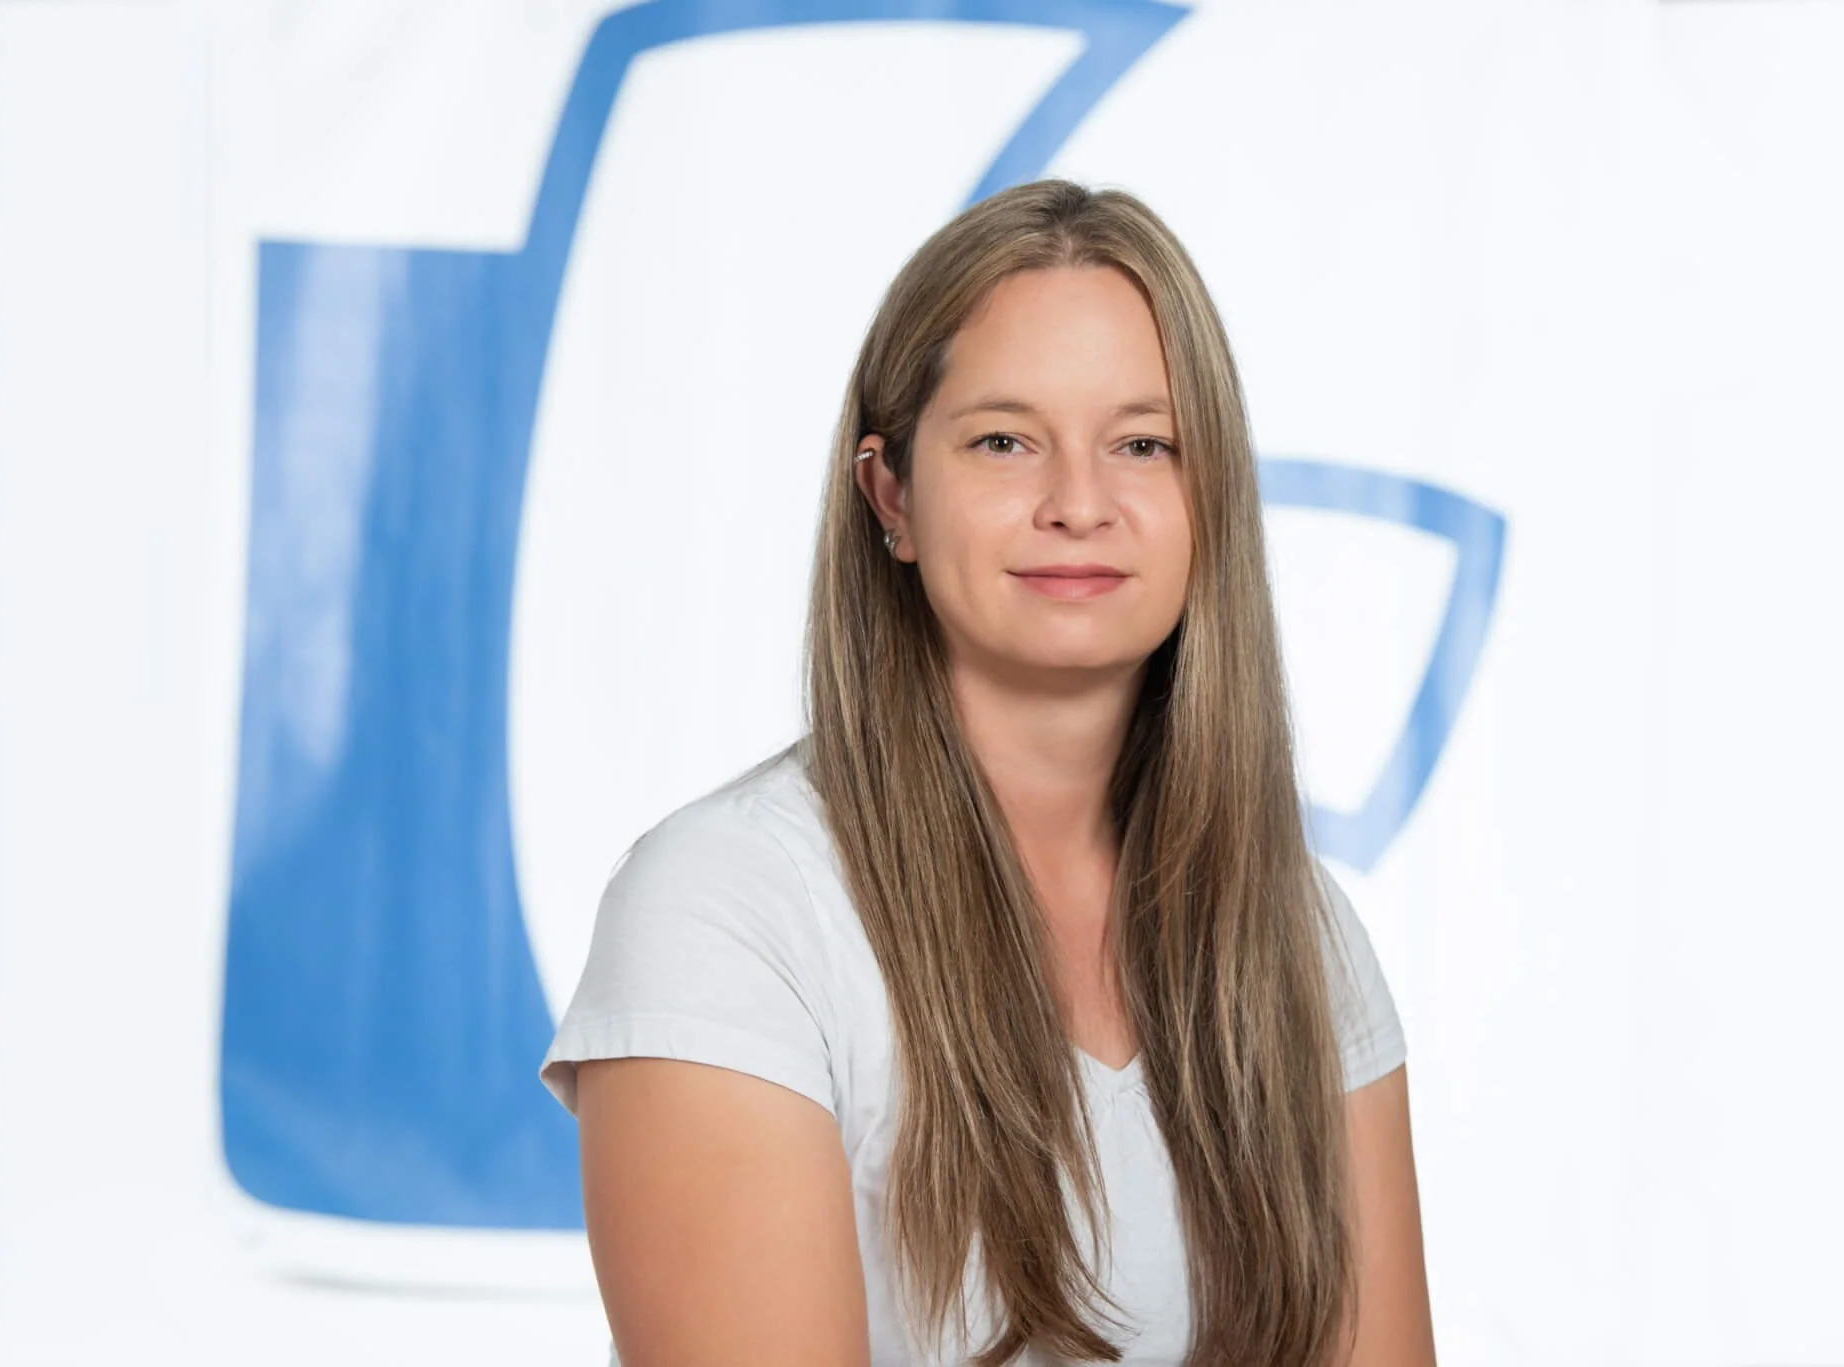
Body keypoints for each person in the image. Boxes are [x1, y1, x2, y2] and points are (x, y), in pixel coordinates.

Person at [538, 178, 1437, 1367]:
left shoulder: (1300, 930)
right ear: (890, 496)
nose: (1078, 503)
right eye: (1004, 440)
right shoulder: (727, 910)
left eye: (1143, 443)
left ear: (1206, 497)